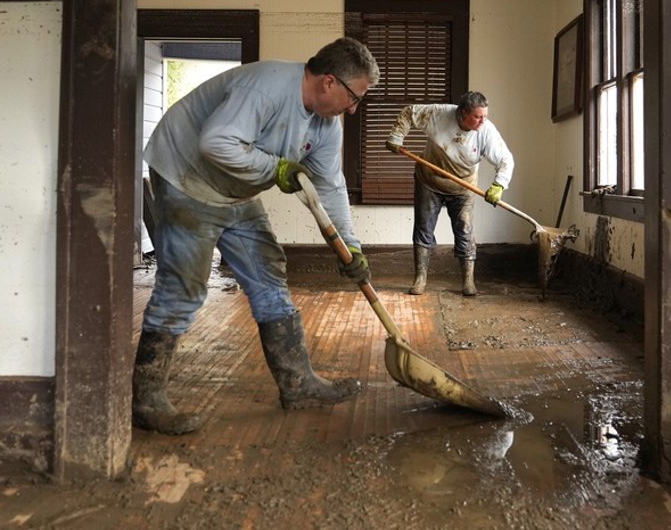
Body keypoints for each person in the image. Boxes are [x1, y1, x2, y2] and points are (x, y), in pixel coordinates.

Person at [133, 37, 377, 436]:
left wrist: (350, 245)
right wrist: (276, 169)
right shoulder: (267, 87)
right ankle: (147, 400)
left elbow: (330, 187)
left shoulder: (326, 125)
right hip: (187, 176)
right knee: (183, 287)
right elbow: (215, 142)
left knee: (269, 276)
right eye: (354, 97)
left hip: (235, 191)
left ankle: (298, 384)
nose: (354, 108)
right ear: (329, 82)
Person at [386, 91, 514, 297]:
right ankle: (420, 279)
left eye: (485, 116)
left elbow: (505, 160)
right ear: (462, 113)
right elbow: (409, 112)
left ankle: (468, 281)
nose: (482, 121)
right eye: (477, 116)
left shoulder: (486, 131)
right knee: (423, 228)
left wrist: (499, 185)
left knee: (464, 231)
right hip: (429, 180)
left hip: (463, 187)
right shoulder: (439, 114)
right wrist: (396, 136)